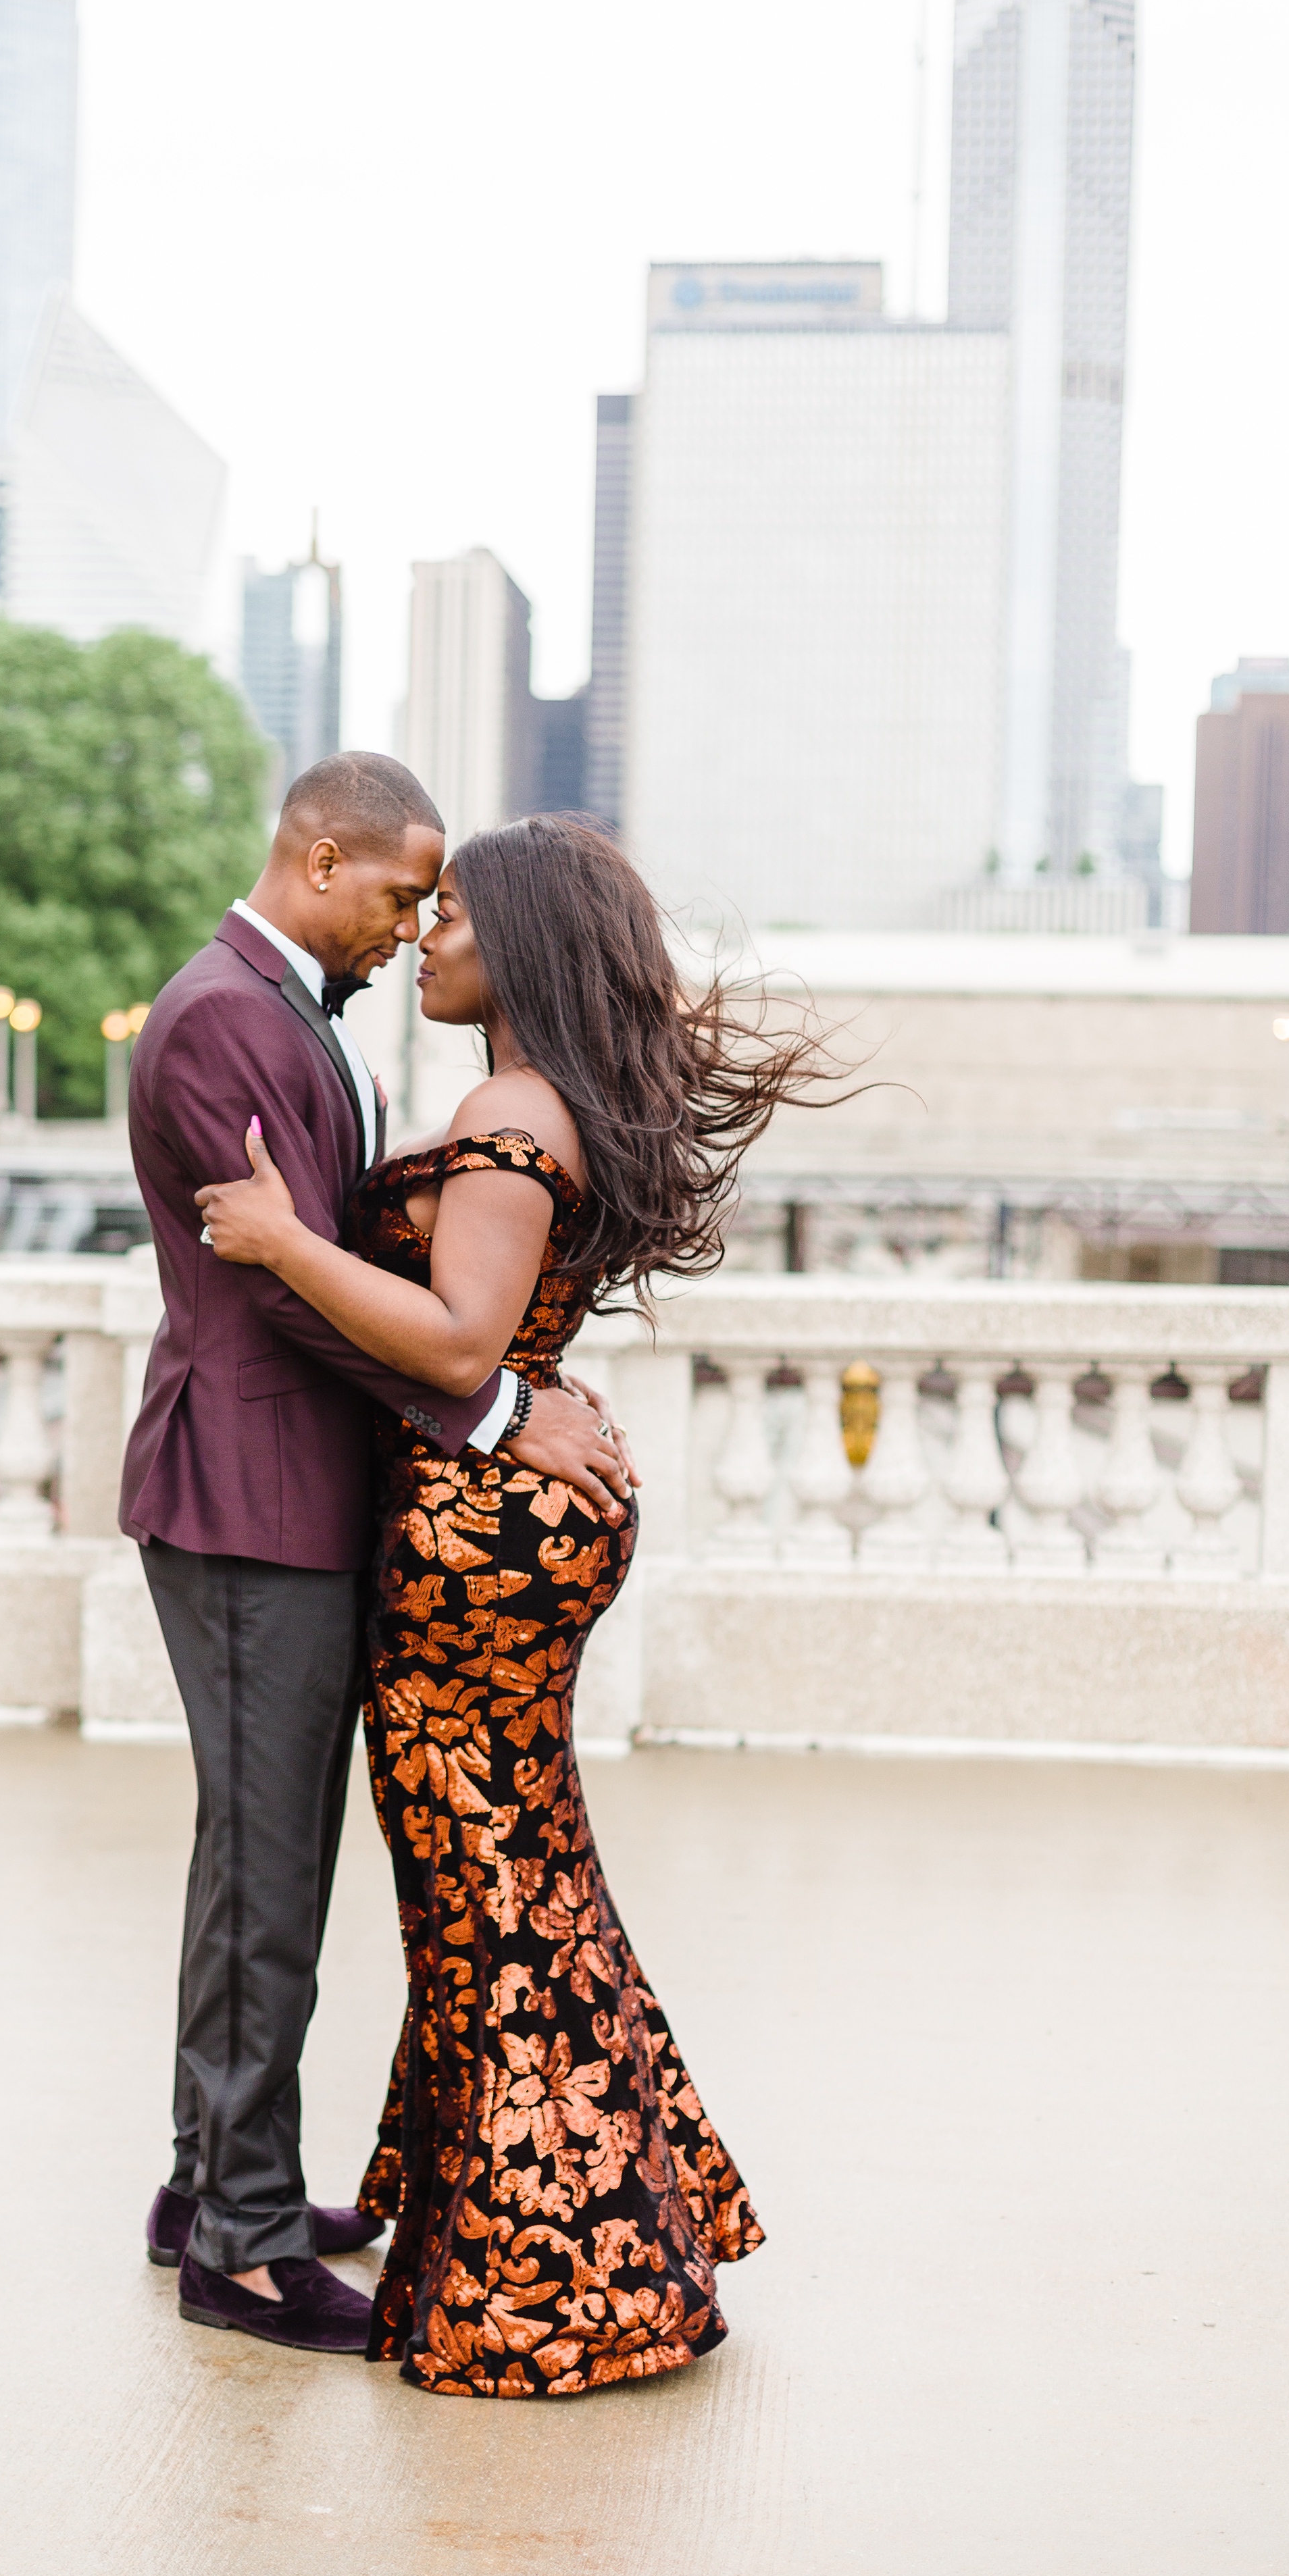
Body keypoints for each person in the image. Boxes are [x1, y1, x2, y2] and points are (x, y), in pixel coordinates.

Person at [197, 812, 832, 2396]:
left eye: (456, 909)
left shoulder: (508, 1103)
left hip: (481, 1542)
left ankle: (556, 2277)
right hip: (521, 1525)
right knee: (519, 1879)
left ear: (525, 940)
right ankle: (587, 2233)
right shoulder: (545, 1099)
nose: (428, 933)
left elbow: (462, 1346)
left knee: (486, 1901)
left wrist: (279, 1238)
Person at [121, 757, 633, 2359]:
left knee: (260, 1858)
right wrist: (490, 1413)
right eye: (404, 893)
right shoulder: (219, 1015)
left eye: (439, 903)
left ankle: (214, 2186)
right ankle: (246, 2246)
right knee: (269, 1871)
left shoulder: (290, 1018)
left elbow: (327, 1258)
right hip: (243, 1492)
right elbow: (282, 1283)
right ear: (319, 856)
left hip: (297, 1489)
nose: (417, 926)